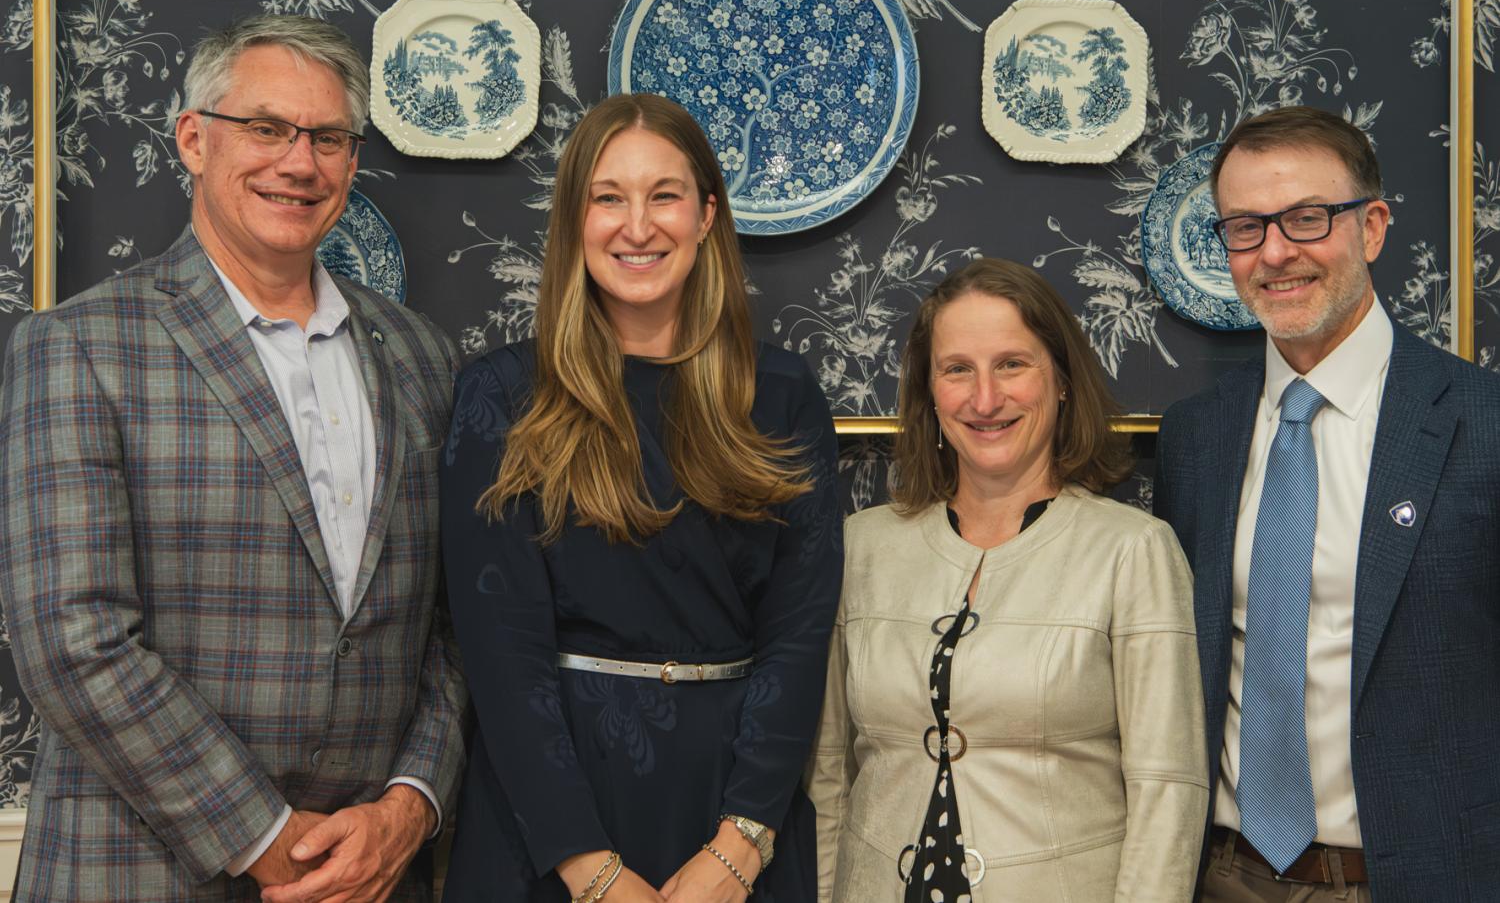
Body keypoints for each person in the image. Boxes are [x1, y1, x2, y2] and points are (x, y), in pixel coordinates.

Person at [0, 15, 467, 902]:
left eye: (328, 137)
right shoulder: (79, 346)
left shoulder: (422, 357)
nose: (300, 162)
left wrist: (410, 805)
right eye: (265, 128)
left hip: (371, 876)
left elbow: (452, 626)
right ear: (193, 139)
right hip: (139, 872)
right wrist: (263, 836)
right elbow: (74, 638)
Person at [439, 92, 841, 902]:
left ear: (706, 215)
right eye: (608, 197)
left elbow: (799, 639)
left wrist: (738, 849)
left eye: (665, 195)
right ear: (572, 220)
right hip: (547, 826)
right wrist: (589, 867)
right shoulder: (502, 395)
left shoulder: (785, 393)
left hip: (734, 815)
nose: (638, 225)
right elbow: (499, 655)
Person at [1155, 105, 1500, 902]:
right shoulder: (1196, 438)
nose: (1276, 251)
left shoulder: (1481, 423)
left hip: (1422, 876)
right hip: (1222, 875)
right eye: (1245, 227)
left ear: (1373, 227)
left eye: (1308, 217)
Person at [808, 257, 1208, 902]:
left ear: (1062, 381)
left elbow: (1169, 789)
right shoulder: (861, 546)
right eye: (957, 369)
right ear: (929, 393)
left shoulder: (1132, 550)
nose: (985, 399)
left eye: (1012, 365)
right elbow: (827, 775)